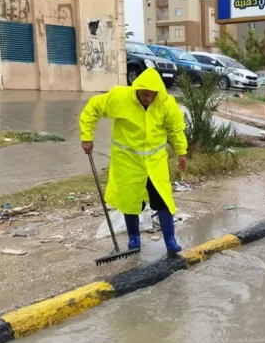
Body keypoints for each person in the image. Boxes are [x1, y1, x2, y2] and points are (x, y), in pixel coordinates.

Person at [79, 67, 188, 254]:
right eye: (146, 94)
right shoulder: (120, 98)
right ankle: (134, 239)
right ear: (137, 88)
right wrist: (87, 137)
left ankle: (170, 241)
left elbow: (176, 129)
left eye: (153, 95)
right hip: (128, 161)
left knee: (163, 200)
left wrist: (181, 152)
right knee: (130, 201)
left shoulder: (166, 104)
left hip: (155, 162)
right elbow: (93, 108)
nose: (149, 99)